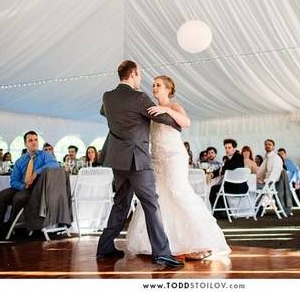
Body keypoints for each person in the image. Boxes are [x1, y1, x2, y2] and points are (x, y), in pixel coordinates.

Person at [127, 75, 230, 260]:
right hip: (157, 157)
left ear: (168, 89)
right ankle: (164, 244)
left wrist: (165, 110)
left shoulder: (174, 106)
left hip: (174, 155)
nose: (154, 87)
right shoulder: (149, 109)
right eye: (153, 85)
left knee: (178, 192)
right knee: (158, 197)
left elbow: (186, 122)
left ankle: (200, 241)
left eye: (158, 85)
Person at [96, 60, 183, 268]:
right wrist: (177, 123)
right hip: (137, 160)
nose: (141, 79)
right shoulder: (139, 97)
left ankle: (104, 247)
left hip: (117, 160)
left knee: (120, 204)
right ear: (133, 73)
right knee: (151, 205)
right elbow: (159, 117)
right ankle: (161, 253)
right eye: (139, 75)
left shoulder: (107, 97)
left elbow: (103, 112)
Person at [0, 131, 59, 236]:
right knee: (1, 195)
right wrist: (23, 186)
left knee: (19, 197)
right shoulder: (20, 161)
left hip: (36, 188)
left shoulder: (45, 155)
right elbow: (13, 181)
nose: (34, 142)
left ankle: (10, 223)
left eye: (36, 140)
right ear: (25, 144)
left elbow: (54, 165)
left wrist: (36, 172)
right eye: (30, 140)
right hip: (23, 186)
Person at [208, 139, 247, 211]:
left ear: (234, 148)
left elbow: (229, 168)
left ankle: (217, 212)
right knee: (217, 188)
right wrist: (212, 174)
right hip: (231, 186)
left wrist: (222, 167)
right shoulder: (228, 158)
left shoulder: (238, 156)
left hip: (239, 187)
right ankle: (223, 212)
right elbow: (223, 169)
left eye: (229, 148)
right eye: (225, 148)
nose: (227, 150)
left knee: (214, 189)